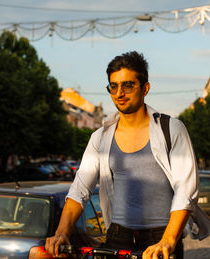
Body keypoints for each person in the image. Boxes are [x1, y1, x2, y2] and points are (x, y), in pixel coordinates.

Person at [45, 51, 199, 259]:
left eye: (128, 85)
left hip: (160, 237)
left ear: (145, 88)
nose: (119, 93)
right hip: (118, 235)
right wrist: (61, 233)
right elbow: (80, 189)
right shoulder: (100, 138)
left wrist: (168, 240)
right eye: (113, 86)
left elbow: (186, 190)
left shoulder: (171, 129)